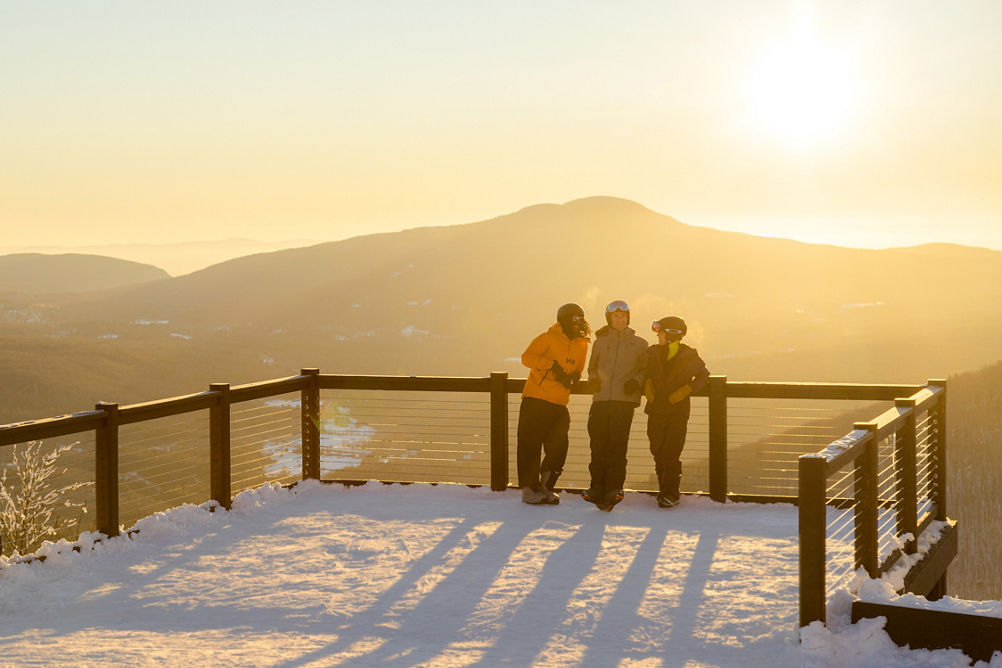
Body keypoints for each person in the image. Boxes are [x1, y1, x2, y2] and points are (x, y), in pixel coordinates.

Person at [517, 303, 590, 504]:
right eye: (573, 319)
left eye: (580, 319)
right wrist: (551, 366)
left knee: (558, 447)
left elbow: (578, 369)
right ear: (563, 320)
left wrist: (573, 378)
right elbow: (527, 358)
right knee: (530, 446)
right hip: (536, 398)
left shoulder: (583, 344)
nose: (577, 323)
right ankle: (529, 490)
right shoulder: (548, 337)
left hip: (560, 402)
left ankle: (546, 486)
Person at [583, 300, 648, 511]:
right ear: (609, 319)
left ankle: (613, 489)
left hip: (624, 401)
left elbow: (644, 370)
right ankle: (596, 489)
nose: (619, 320)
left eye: (623, 316)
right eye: (615, 317)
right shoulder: (601, 342)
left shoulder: (640, 343)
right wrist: (593, 379)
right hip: (601, 400)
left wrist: (635, 382)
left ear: (628, 318)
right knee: (598, 445)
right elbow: (592, 368)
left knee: (617, 447)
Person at [644, 316, 709, 508]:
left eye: (661, 333)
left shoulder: (689, 356)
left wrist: (686, 390)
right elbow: (643, 371)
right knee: (657, 449)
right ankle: (664, 490)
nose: (658, 337)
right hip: (656, 409)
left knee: (671, 452)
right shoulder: (653, 353)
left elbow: (704, 376)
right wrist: (646, 382)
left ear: (672, 335)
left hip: (677, 411)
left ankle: (670, 493)